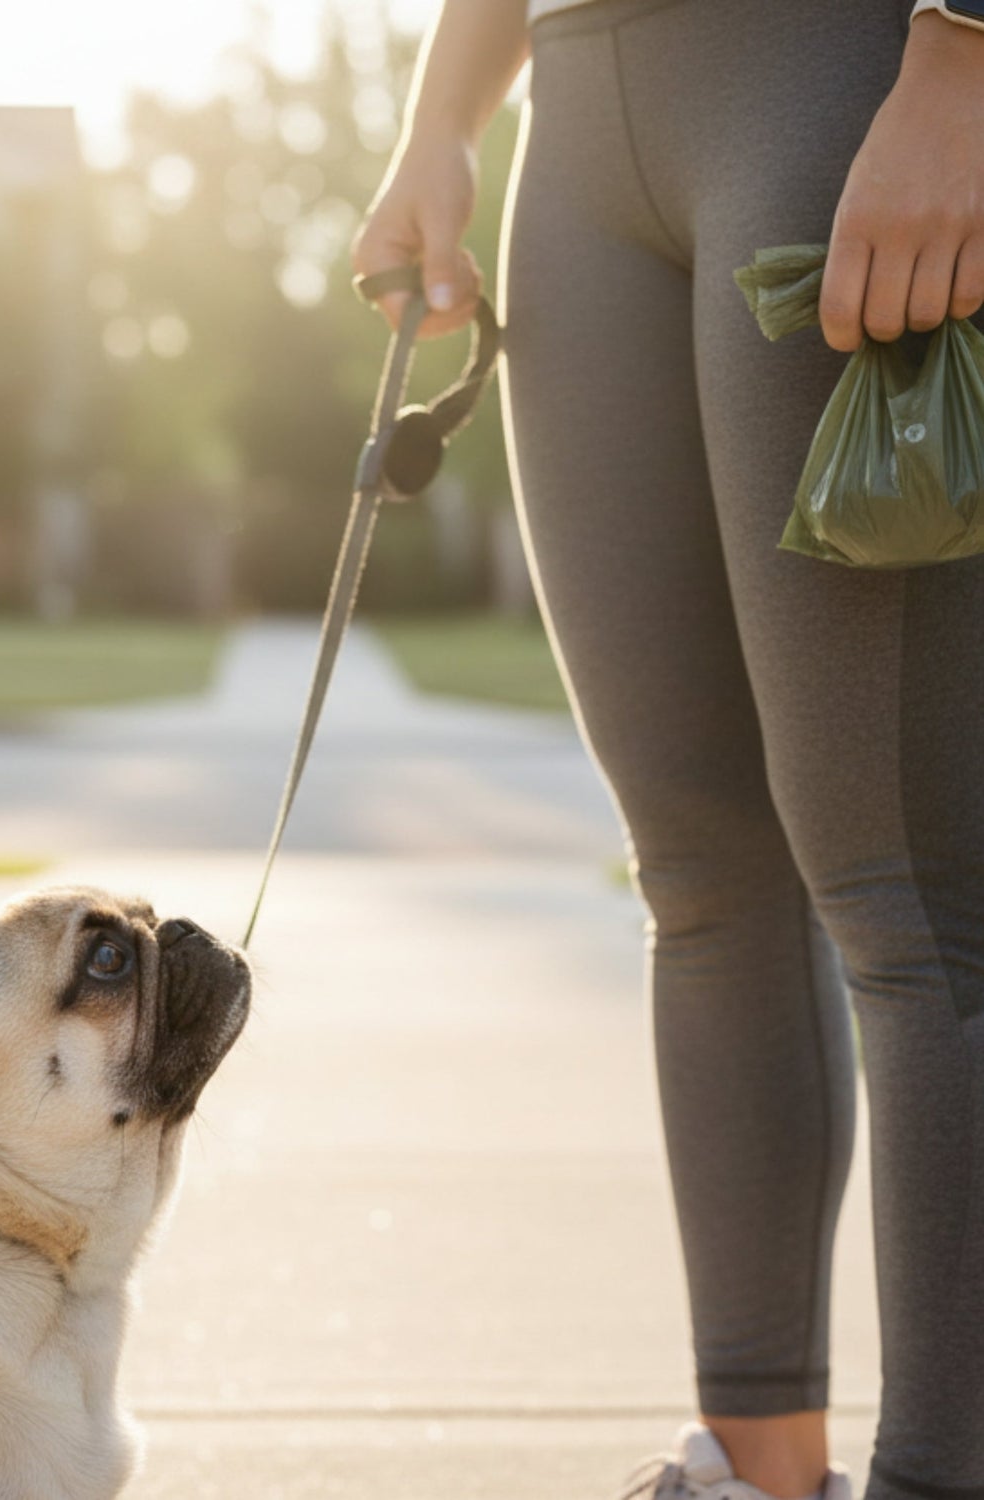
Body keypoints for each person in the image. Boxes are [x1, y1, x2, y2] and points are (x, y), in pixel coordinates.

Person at [352, 2, 984, 1498]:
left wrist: (964, 54)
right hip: (573, 140)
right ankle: (760, 1474)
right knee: (701, 880)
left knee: (911, 904)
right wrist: (440, 116)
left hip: (838, 80)